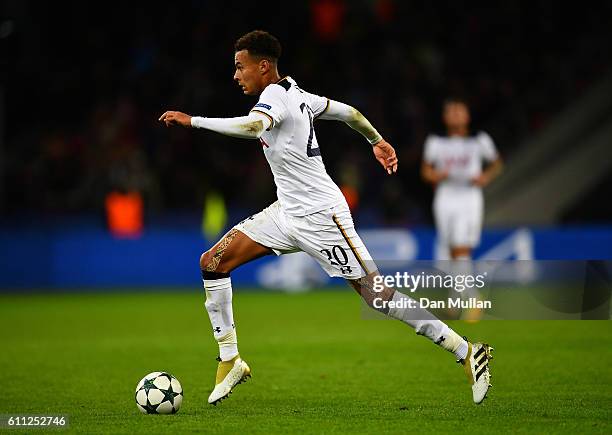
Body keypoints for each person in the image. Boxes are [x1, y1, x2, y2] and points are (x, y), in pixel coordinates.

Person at [159, 30, 493, 406]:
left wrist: (194, 121)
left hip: (322, 216)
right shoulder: (300, 95)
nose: (235, 75)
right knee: (213, 263)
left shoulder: (275, 96)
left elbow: (253, 127)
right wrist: (377, 141)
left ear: (263, 66)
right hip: (286, 213)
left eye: (240, 66)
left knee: (377, 296)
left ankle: (466, 351)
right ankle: (230, 359)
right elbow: (349, 113)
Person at [422, 98, 503, 262]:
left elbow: (497, 164)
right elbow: (426, 171)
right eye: (451, 112)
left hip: (469, 194)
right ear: (444, 118)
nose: (455, 115)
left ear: (467, 116)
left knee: (463, 242)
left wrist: (485, 177)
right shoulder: (435, 142)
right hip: (446, 195)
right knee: (452, 244)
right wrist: (436, 176)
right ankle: (461, 286)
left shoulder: (479, 140)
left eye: (459, 111)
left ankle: (462, 286)